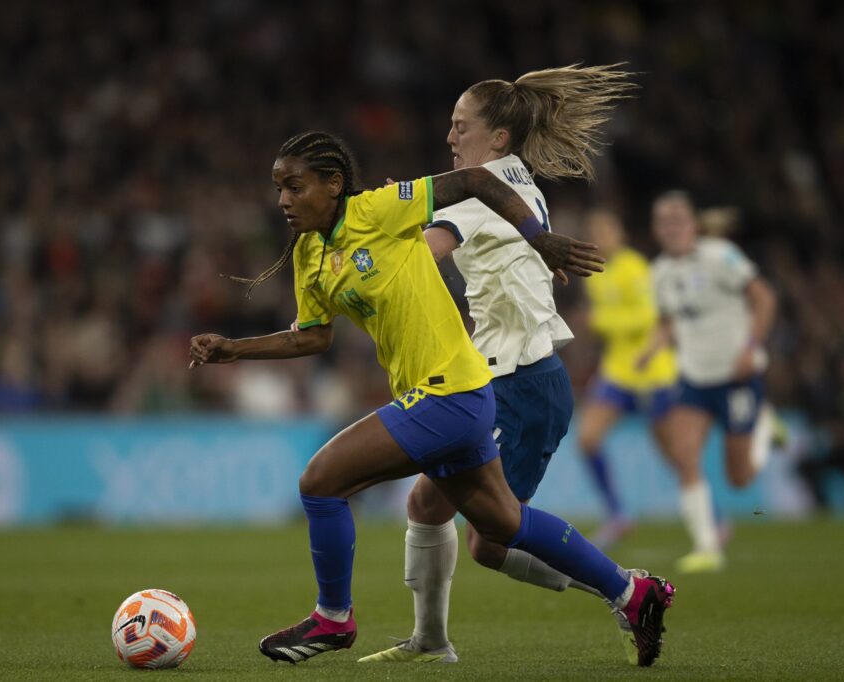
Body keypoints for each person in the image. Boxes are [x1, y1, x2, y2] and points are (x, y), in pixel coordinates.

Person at [190, 127, 675, 668]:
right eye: (279, 188)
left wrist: (536, 236)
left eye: (295, 187)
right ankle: (633, 594)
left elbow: (473, 180)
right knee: (503, 526)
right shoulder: (309, 254)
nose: (283, 200)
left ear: (334, 184)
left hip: (451, 392)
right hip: (450, 397)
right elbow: (313, 336)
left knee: (320, 482)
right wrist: (235, 349)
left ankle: (334, 618)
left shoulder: (378, 209)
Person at [356, 67, 669, 668]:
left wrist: (363, 257)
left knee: (491, 538)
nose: (449, 135)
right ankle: (431, 641)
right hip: (506, 377)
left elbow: (423, 257)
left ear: (497, 137)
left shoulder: (479, 188)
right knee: (432, 509)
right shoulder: (514, 178)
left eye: (461, 125)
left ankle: (631, 592)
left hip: (519, 383)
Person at [639, 190, 777, 573]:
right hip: (695, 378)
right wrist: (652, 348)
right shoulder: (660, 273)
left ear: (693, 224)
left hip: (737, 378)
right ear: (656, 229)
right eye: (664, 222)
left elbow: (764, 298)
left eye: (678, 220)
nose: (672, 228)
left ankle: (764, 426)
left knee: (740, 478)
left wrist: (751, 347)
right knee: (684, 455)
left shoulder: (721, 256)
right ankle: (707, 547)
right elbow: (669, 321)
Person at [578, 210, 678, 549]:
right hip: (618, 372)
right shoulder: (594, 272)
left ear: (620, 232)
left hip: (651, 371)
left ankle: (711, 515)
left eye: (606, 228)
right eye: (594, 230)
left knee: (674, 452)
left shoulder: (635, 266)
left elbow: (648, 317)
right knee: (588, 437)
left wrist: (603, 321)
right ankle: (618, 513)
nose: (600, 236)